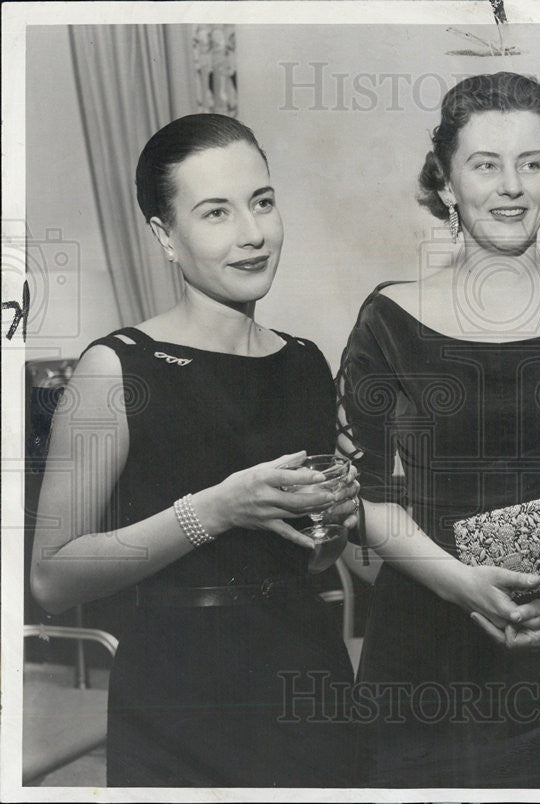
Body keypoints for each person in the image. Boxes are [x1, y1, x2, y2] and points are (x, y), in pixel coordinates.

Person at [337, 72, 540, 788]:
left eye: (532, 164)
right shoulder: (388, 318)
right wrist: (460, 584)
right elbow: (368, 496)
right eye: (486, 165)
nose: (511, 186)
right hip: (429, 647)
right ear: (447, 183)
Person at [30, 114, 360, 787]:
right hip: (179, 694)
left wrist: (339, 514)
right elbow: (52, 579)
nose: (253, 233)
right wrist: (214, 509)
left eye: (262, 202)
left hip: (309, 672)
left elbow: (311, 548)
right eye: (216, 213)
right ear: (164, 235)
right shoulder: (116, 368)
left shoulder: (303, 362)